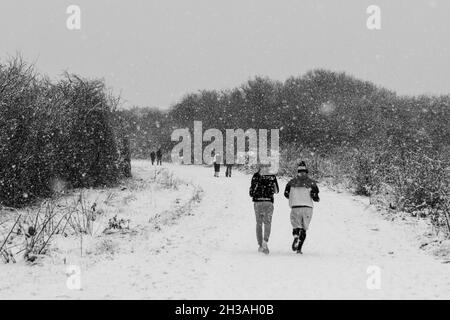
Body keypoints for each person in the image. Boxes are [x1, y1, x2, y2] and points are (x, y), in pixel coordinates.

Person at [284, 161, 320, 254]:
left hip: (295, 207)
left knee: (296, 226)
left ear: (297, 171)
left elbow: (286, 194)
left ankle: (296, 236)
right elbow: (315, 197)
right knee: (304, 228)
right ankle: (299, 249)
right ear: (306, 171)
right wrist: (315, 197)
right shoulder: (311, 182)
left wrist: (293, 196)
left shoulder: (291, 182)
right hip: (308, 207)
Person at [249, 163, 279, 254]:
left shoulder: (256, 176)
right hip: (268, 202)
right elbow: (277, 190)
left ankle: (260, 245)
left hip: (258, 202)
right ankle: (265, 241)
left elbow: (251, 193)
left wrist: (256, 190)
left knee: (259, 223)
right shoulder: (272, 176)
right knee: (267, 222)